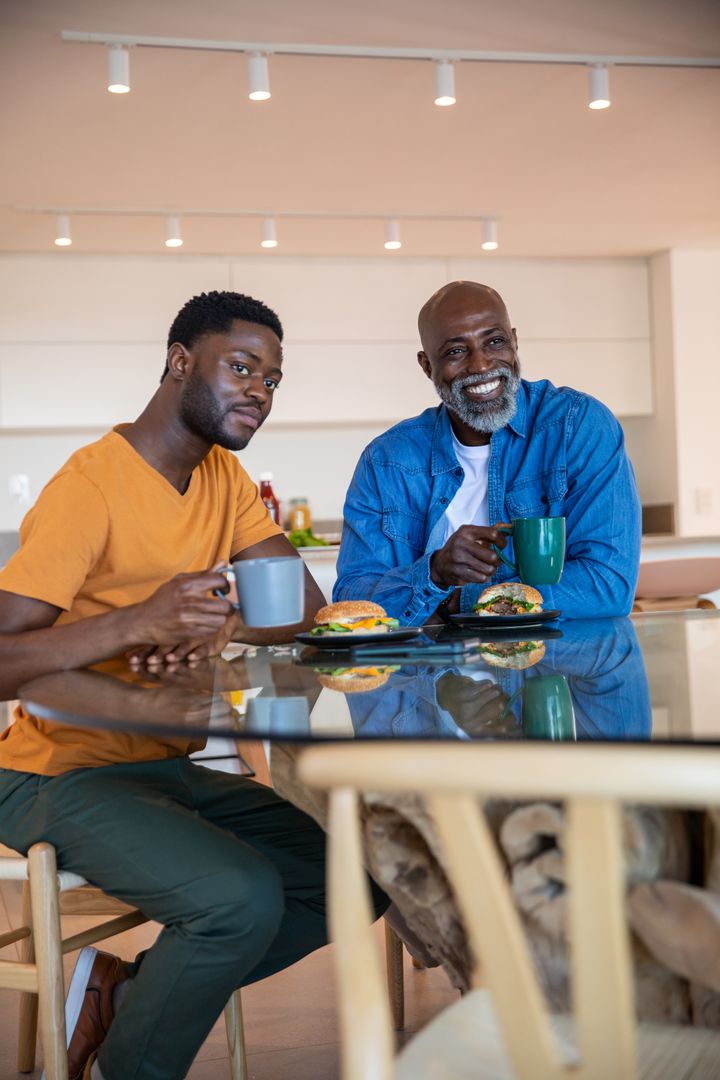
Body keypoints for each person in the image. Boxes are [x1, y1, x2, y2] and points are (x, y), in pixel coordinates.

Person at [0, 290, 386, 1080]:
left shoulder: (224, 479)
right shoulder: (90, 487)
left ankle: (124, 994)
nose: (259, 392)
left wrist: (224, 623)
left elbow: (304, 612)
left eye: (273, 380)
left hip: (161, 769)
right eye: (241, 367)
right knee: (237, 899)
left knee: (356, 877)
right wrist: (137, 621)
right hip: (52, 773)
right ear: (180, 362)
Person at [334, 280, 641, 621]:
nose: (480, 366)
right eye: (455, 351)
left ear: (514, 341)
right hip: (425, 671)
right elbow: (352, 599)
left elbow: (607, 586)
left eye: (494, 342)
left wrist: (463, 602)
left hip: (555, 668)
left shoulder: (577, 426)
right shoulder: (387, 461)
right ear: (426, 366)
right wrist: (434, 573)